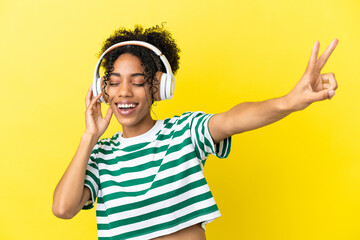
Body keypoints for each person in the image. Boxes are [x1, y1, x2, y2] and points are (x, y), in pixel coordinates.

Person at [52, 25, 338, 240]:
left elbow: (233, 119)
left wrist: (288, 101)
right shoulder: (101, 155)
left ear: (159, 88)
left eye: (138, 82)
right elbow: (63, 208)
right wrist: (89, 137)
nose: (124, 91)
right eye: (114, 83)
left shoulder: (184, 132)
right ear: (103, 91)